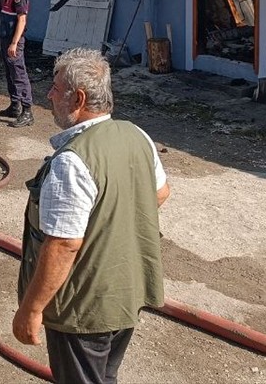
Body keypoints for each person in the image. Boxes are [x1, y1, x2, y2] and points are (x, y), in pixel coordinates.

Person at [11, 48, 170, 384]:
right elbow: (159, 193)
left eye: (56, 88)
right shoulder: (136, 136)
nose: (49, 94)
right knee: (104, 374)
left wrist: (31, 309)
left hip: (84, 308)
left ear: (78, 98)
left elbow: (65, 244)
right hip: (125, 293)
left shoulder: (72, 162)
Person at [0, 0, 35, 128]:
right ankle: (15, 106)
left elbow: (22, 20)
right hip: (5, 40)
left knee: (18, 75)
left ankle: (27, 112)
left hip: (13, 42)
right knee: (10, 74)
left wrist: (14, 43)